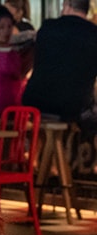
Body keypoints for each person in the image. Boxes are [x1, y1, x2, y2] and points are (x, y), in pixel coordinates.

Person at [21, 0, 97, 138]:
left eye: (62, 7)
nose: (61, 12)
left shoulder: (47, 27)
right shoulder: (93, 34)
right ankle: (77, 157)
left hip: (34, 103)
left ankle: (54, 155)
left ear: (68, 6)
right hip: (72, 108)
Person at [0, 5, 35, 119]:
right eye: (1, 27)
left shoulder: (11, 49)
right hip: (0, 109)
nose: (6, 31)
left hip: (16, 108)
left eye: (9, 26)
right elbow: (17, 73)